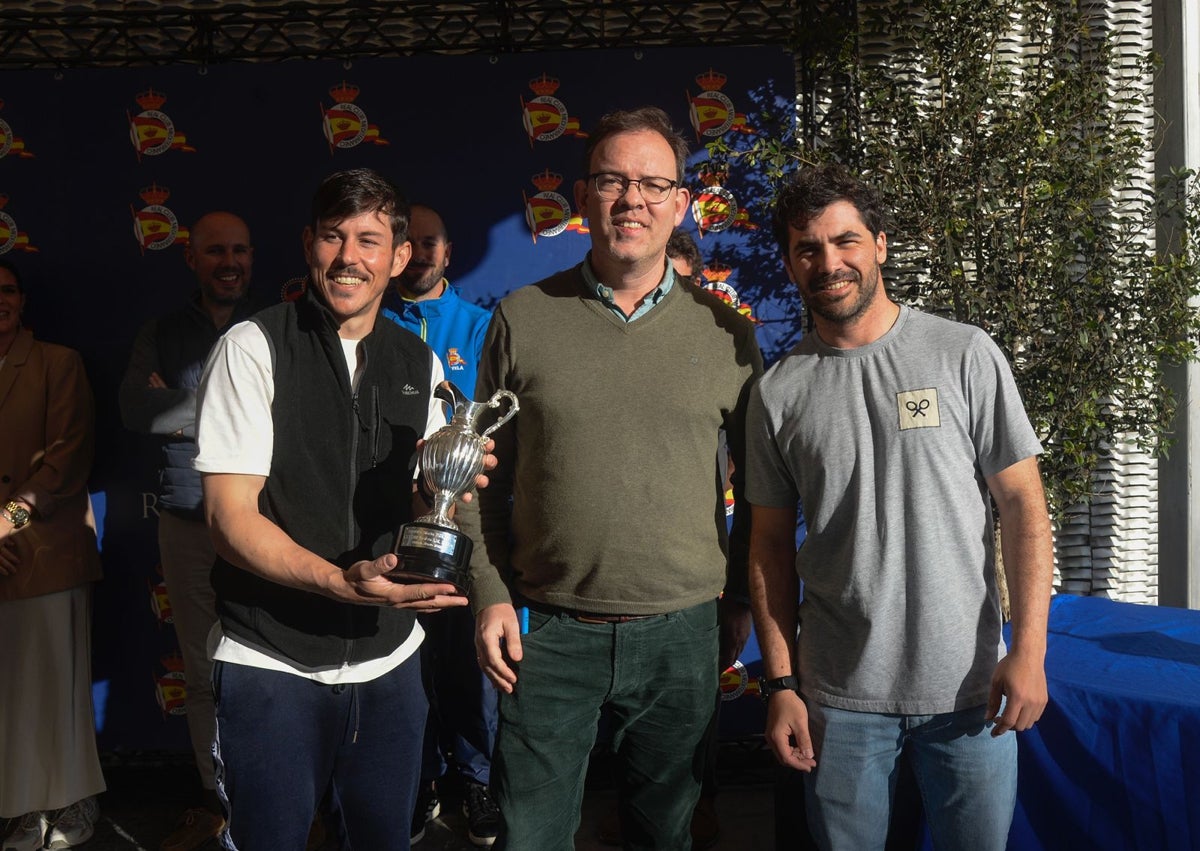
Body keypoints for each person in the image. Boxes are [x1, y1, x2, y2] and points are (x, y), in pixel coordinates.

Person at [469, 106, 763, 850]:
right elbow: (475, 481)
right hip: (547, 633)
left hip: (683, 636)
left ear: (680, 204)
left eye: (652, 183)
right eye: (612, 180)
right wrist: (490, 593)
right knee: (530, 836)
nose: (632, 199)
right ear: (584, 196)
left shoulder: (728, 335)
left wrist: (737, 600)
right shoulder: (522, 317)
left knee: (664, 835)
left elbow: (763, 490)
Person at [746, 163, 1053, 851]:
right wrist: (782, 683)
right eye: (808, 248)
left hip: (970, 693)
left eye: (845, 241)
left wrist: (1030, 648)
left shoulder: (965, 354)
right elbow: (766, 546)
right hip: (837, 701)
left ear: (880, 244)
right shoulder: (777, 393)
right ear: (791, 264)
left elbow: (1024, 507)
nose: (830, 262)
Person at [194, 167, 493, 851]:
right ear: (308, 245)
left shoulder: (420, 362)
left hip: (388, 668)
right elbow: (228, 515)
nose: (350, 257)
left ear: (399, 255)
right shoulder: (252, 348)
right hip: (271, 661)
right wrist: (339, 581)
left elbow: (420, 499)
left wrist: (448, 484)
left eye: (369, 239)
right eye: (334, 237)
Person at [119, 211, 255, 851]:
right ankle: (217, 802)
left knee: (266, 670)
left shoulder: (274, 329)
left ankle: (273, 799)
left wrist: (179, 405)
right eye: (214, 251)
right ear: (191, 260)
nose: (228, 262)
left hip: (262, 521)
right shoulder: (163, 331)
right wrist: (232, 409)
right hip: (184, 518)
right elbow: (134, 410)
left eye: (239, 250)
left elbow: (289, 418)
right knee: (201, 673)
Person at [381, 204, 498, 847]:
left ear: (446, 253)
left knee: (469, 660)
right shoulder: (373, 323)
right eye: (409, 242)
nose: (420, 253)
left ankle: (475, 778)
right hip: (389, 523)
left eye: (430, 243)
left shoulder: (479, 328)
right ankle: (421, 778)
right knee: (405, 659)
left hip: (463, 520)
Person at [0, 258, 106, 851]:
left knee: (52, 686)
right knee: (8, 693)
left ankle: (71, 801)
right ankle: (20, 808)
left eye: (9, 290)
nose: (1, 299)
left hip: (44, 550)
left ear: (23, 300)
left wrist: (6, 524)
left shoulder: (57, 363)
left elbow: (66, 457)